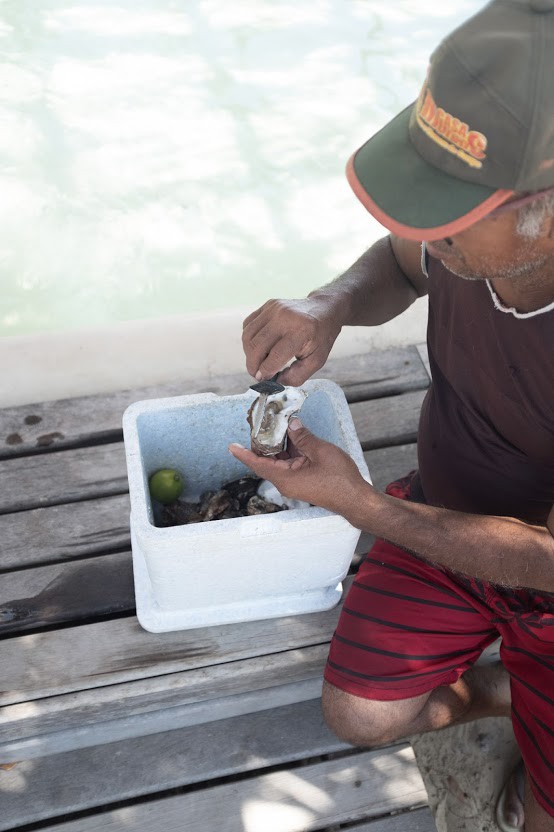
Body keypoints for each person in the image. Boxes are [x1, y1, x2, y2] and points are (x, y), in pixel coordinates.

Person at [229, 0, 554, 829]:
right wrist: (329, 303)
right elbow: (402, 263)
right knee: (363, 712)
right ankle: (511, 694)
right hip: (443, 507)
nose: (416, 225)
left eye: (450, 210)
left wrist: (363, 507)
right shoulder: (458, 240)